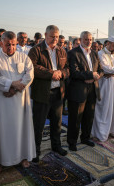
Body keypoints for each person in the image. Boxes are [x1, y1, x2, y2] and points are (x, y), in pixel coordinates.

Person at [0, 31, 35, 170]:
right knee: (2, 130)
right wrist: (10, 84)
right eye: (7, 44)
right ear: (1, 43)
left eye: (13, 44)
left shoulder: (24, 57)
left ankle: (22, 157)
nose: (10, 47)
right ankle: (1, 160)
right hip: (2, 100)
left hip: (20, 99)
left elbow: (30, 75)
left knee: (22, 129)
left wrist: (15, 89)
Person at [28, 25, 69, 162]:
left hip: (58, 93)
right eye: (52, 36)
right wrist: (51, 73)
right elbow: (33, 67)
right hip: (42, 93)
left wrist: (61, 73)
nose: (55, 39)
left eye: (57, 37)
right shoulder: (36, 50)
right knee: (38, 124)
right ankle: (35, 151)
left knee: (56, 123)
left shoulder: (62, 51)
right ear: (46, 35)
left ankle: (56, 146)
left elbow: (67, 69)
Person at [67, 31, 103, 151]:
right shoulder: (73, 53)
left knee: (89, 115)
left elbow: (101, 70)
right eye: (86, 39)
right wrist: (90, 75)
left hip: (92, 89)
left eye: (90, 39)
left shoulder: (94, 53)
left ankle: (85, 138)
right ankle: (72, 142)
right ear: (81, 39)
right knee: (75, 117)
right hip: (78, 90)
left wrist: (96, 76)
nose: (88, 41)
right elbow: (74, 72)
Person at [92, 36, 114, 142]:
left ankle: (113, 130)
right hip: (106, 85)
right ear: (108, 44)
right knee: (104, 108)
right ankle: (101, 132)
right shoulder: (101, 53)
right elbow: (105, 68)